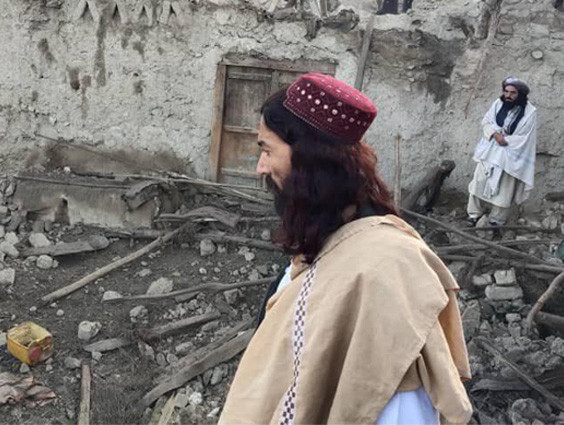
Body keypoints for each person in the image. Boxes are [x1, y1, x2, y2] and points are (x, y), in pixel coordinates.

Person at [219, 73, 472, 424]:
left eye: (266, 149)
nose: (260, 167)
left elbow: (397, 406)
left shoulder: (383, 273)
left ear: (308, 160)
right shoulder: (330, 243)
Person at [467, 76, 537, 230]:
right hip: (490, 151)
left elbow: (525, 137)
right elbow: (486, 121)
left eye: (513, 93)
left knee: (505, 190)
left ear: (520, 94)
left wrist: (505, 140)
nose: (508, 95)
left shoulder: (530, 112)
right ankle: (473, 215)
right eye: (506, 91)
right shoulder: (498, 103)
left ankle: (496, 221)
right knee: (478, 183)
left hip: (511, 156)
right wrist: (495, 134)